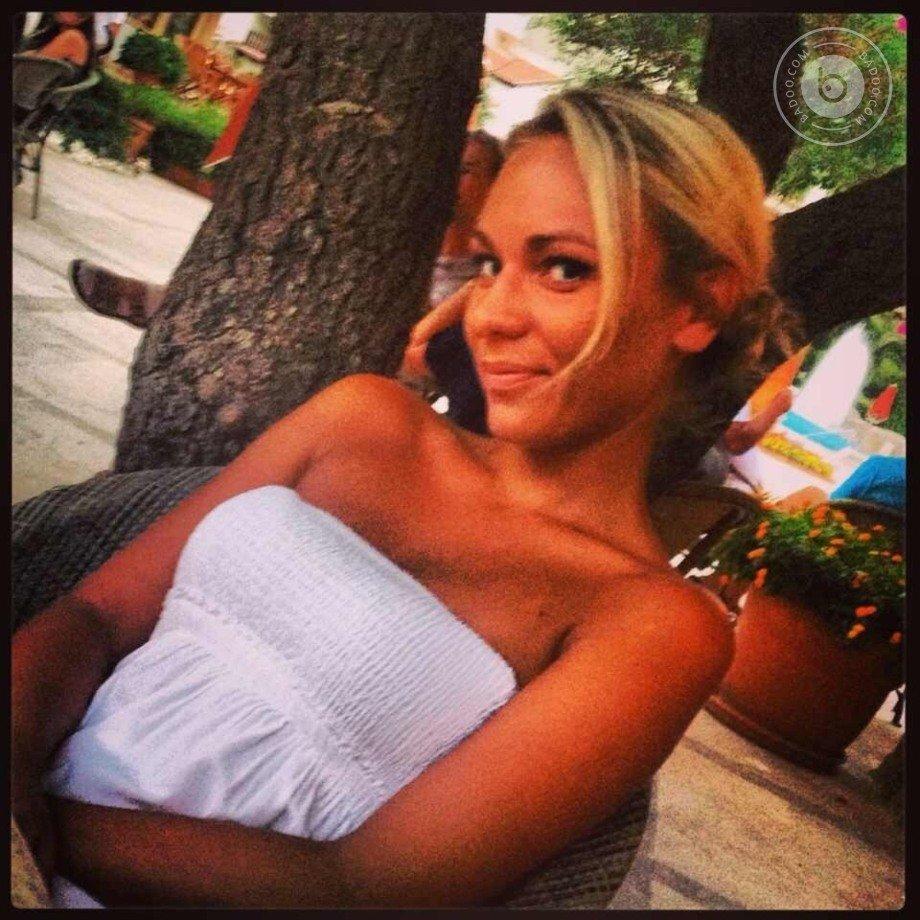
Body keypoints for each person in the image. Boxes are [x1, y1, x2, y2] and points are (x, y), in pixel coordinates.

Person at [14, 86, 785, 908]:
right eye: (490, 264)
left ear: (700, 304)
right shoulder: (363, 418)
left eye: (563, 268)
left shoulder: (652, 623)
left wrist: (33, 833)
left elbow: (361, 889)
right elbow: (96, 615)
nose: (489, 316)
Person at [68, 130, 504, 433]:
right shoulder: (403, 244)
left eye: (466, 170)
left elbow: (433, 362)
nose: (450, 180)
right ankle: (166, 305)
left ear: (494, 186)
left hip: (379, 385)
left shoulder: (485, 276)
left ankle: (161, 306)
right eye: (447, 167)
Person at [776, 454, 906, 513]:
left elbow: (837, 500)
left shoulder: (877, 466)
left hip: (842, 532)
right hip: (886, 551)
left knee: (812, 492)